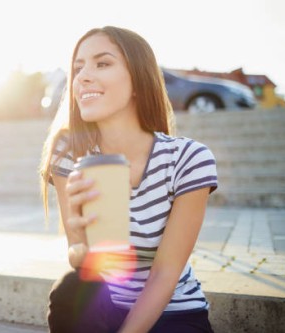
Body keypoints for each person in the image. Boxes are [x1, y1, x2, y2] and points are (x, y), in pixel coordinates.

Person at [39, 26, 218, 333]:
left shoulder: (188, 159)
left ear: (138, 79)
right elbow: (80, 261)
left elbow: (165, 272)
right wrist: (82, 239)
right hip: (106, 307)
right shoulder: (69, 156)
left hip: (174, 312)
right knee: (70, 289)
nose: (82, 76)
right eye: (78, 67)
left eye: (102, 63)